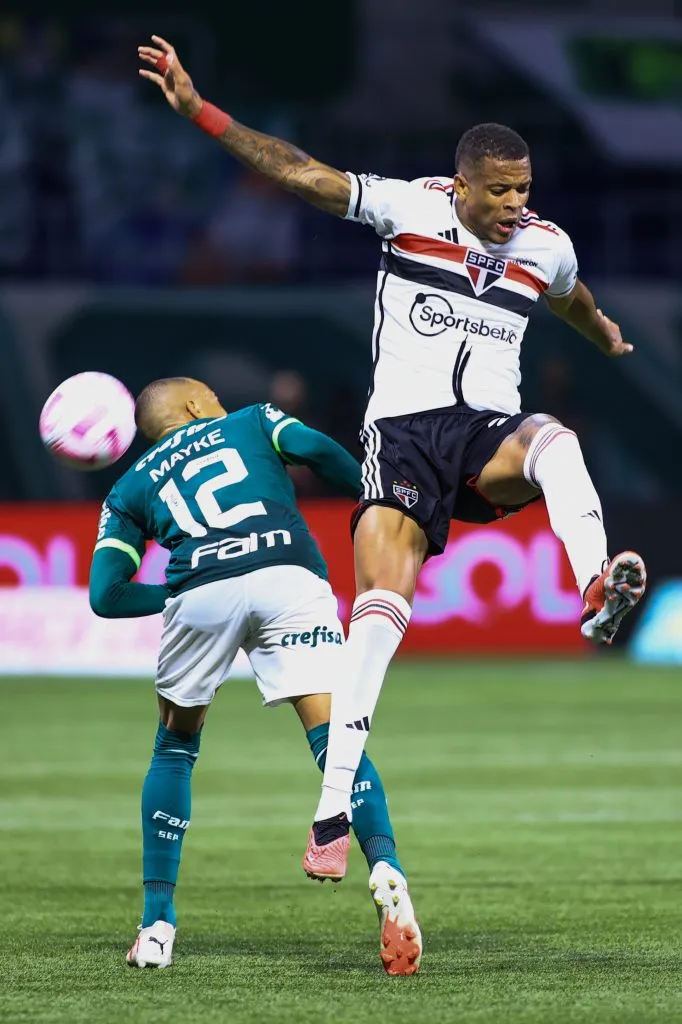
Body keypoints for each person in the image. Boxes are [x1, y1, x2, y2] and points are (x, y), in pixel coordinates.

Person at [137, 36, 647, 884]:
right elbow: (302, 171)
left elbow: (571, 295)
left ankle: (593, 590)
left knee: (554, 439)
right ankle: (332, 810)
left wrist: (604, 333)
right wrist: (201, 113)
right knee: (381, 604)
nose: (514, 205)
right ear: (462, 184)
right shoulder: (411, 209)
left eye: (524, 189)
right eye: (498, 191)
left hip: (486, 434)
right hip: (404, 434)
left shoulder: (544, 243)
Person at [89, 377, 421, 976]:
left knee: (174, 750)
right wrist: (383, 505)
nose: (218, 402)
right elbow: (318, 452)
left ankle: (157, 926)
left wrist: (179, 587)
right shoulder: (251, 420)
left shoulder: (128, 487)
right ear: (194, 407)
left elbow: (106, 596)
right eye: (210, 397)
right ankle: (386, 866)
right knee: (335, 737)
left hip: (202, 590)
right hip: (288, 574)